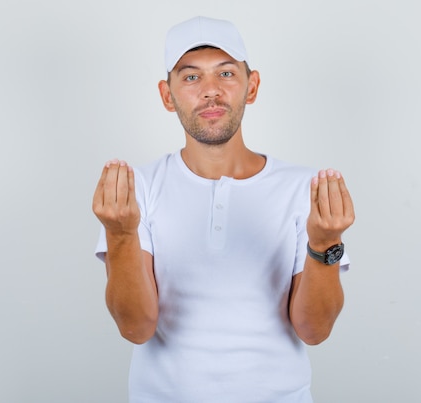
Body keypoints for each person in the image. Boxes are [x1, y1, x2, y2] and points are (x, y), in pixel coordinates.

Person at [92, 16, 355, 403]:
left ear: (252, 86)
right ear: (168, 96)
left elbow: (314, 331)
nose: (211, 91)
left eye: (227, 73)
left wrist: (326, 242)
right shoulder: (138, 188)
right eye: (191, 77)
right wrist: (120, 234)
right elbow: (136, 327)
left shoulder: (305, 188)